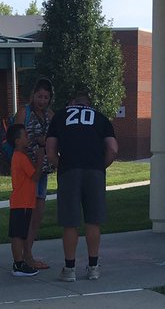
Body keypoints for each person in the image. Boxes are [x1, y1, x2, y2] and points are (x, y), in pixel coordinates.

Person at [46, 87, 119, 282]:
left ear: (72, 103)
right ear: (89, 105)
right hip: (94, 170)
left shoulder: (60, 116)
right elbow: (112, 149)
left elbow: (51, 151)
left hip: (69, 168)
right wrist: (99, 166)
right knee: (93, 220)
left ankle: (70, 269)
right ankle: (93, 267)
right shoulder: (101, 118)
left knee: (70, 222)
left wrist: (63, 166)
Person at [11, 77, 54, 268]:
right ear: (33, 95)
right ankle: (24, 258)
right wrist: (38, 140)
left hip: (41, 170)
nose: (42, 101)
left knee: (38, 215)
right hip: (26, 171)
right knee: (26, 215)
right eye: (39, 96)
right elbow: (15, 138)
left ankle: (28, 254)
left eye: (46, 97)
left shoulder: (50, 115)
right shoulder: (24, 112)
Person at [7, 123, 44, 277]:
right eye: (25, 136)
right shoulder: (20, 157)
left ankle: (19, 262)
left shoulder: (21, 156)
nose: (28, 138)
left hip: (24, 202)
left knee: (21, 233)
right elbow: (35, 176)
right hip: (21, 202)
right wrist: (41, 159)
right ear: (17, 141)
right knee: (18, 234)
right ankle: (19, 263)